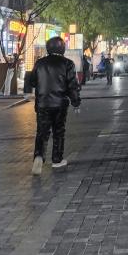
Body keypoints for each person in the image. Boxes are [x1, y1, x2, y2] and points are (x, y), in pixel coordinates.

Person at [27, 36, 81, 175]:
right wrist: (76, 102)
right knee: (58, 131)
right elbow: (72, 86)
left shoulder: (40, 63)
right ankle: (57, 159)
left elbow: (32, 81)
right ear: (62, 48)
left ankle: (39, 156)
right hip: (60, 104)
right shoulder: (68, 64)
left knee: (42, 132)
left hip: (42, 103)